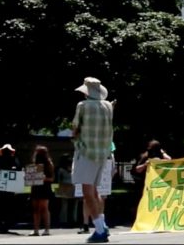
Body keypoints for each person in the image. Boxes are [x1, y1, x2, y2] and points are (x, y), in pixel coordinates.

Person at [71, 77, 115, 243]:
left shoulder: (82, 106)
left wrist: (74, 137)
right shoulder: (109, 106)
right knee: (95, 191)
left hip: (87, 151)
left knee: (87, 192)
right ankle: (102, 224)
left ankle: (99, 229)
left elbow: (75, 127)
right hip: (102, 153)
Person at [0, 143, 22, 233]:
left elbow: (18, 169)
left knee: (6, 206)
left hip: (8, 186)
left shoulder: (14, 159)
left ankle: (3, 226)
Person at [132, 139, 171, 207]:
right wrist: (145, 165)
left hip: (158, 184)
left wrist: (162, 153)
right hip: (144, 184)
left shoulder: (161, 155)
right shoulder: (145, 156)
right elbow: (137, 169)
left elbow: (169, 160)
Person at [29, 145, 55, 236]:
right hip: (36, 187)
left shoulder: (49, 164)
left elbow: (52, 179)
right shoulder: (34, 164)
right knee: (36, 209)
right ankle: (36, 230)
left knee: (44, 208)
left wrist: (44, 178)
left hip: (45, 188)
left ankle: (47, 229)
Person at [55, 154, 78, 228]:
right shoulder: (74, 168)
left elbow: (59, 180)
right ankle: (74, 219)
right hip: (73, 186)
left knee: (64, 205)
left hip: (64, 187)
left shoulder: (60, 169)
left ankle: (63, 220)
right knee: (74, 205)